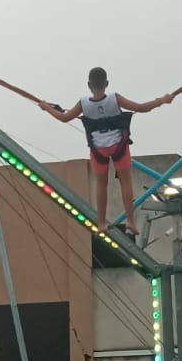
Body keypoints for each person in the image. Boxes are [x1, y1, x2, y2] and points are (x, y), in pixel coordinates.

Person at [40, 67, 174, 237]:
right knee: (126, 183)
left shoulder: (83, 103)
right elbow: (141, 108)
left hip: (98, 149)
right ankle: (130, 221)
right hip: (119, 145)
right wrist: (162, 100)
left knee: (101, 186)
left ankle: (101, 223)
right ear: (107, 83)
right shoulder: (114, 99)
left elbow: (64, 118)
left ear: (89, 85)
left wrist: (47, 108)